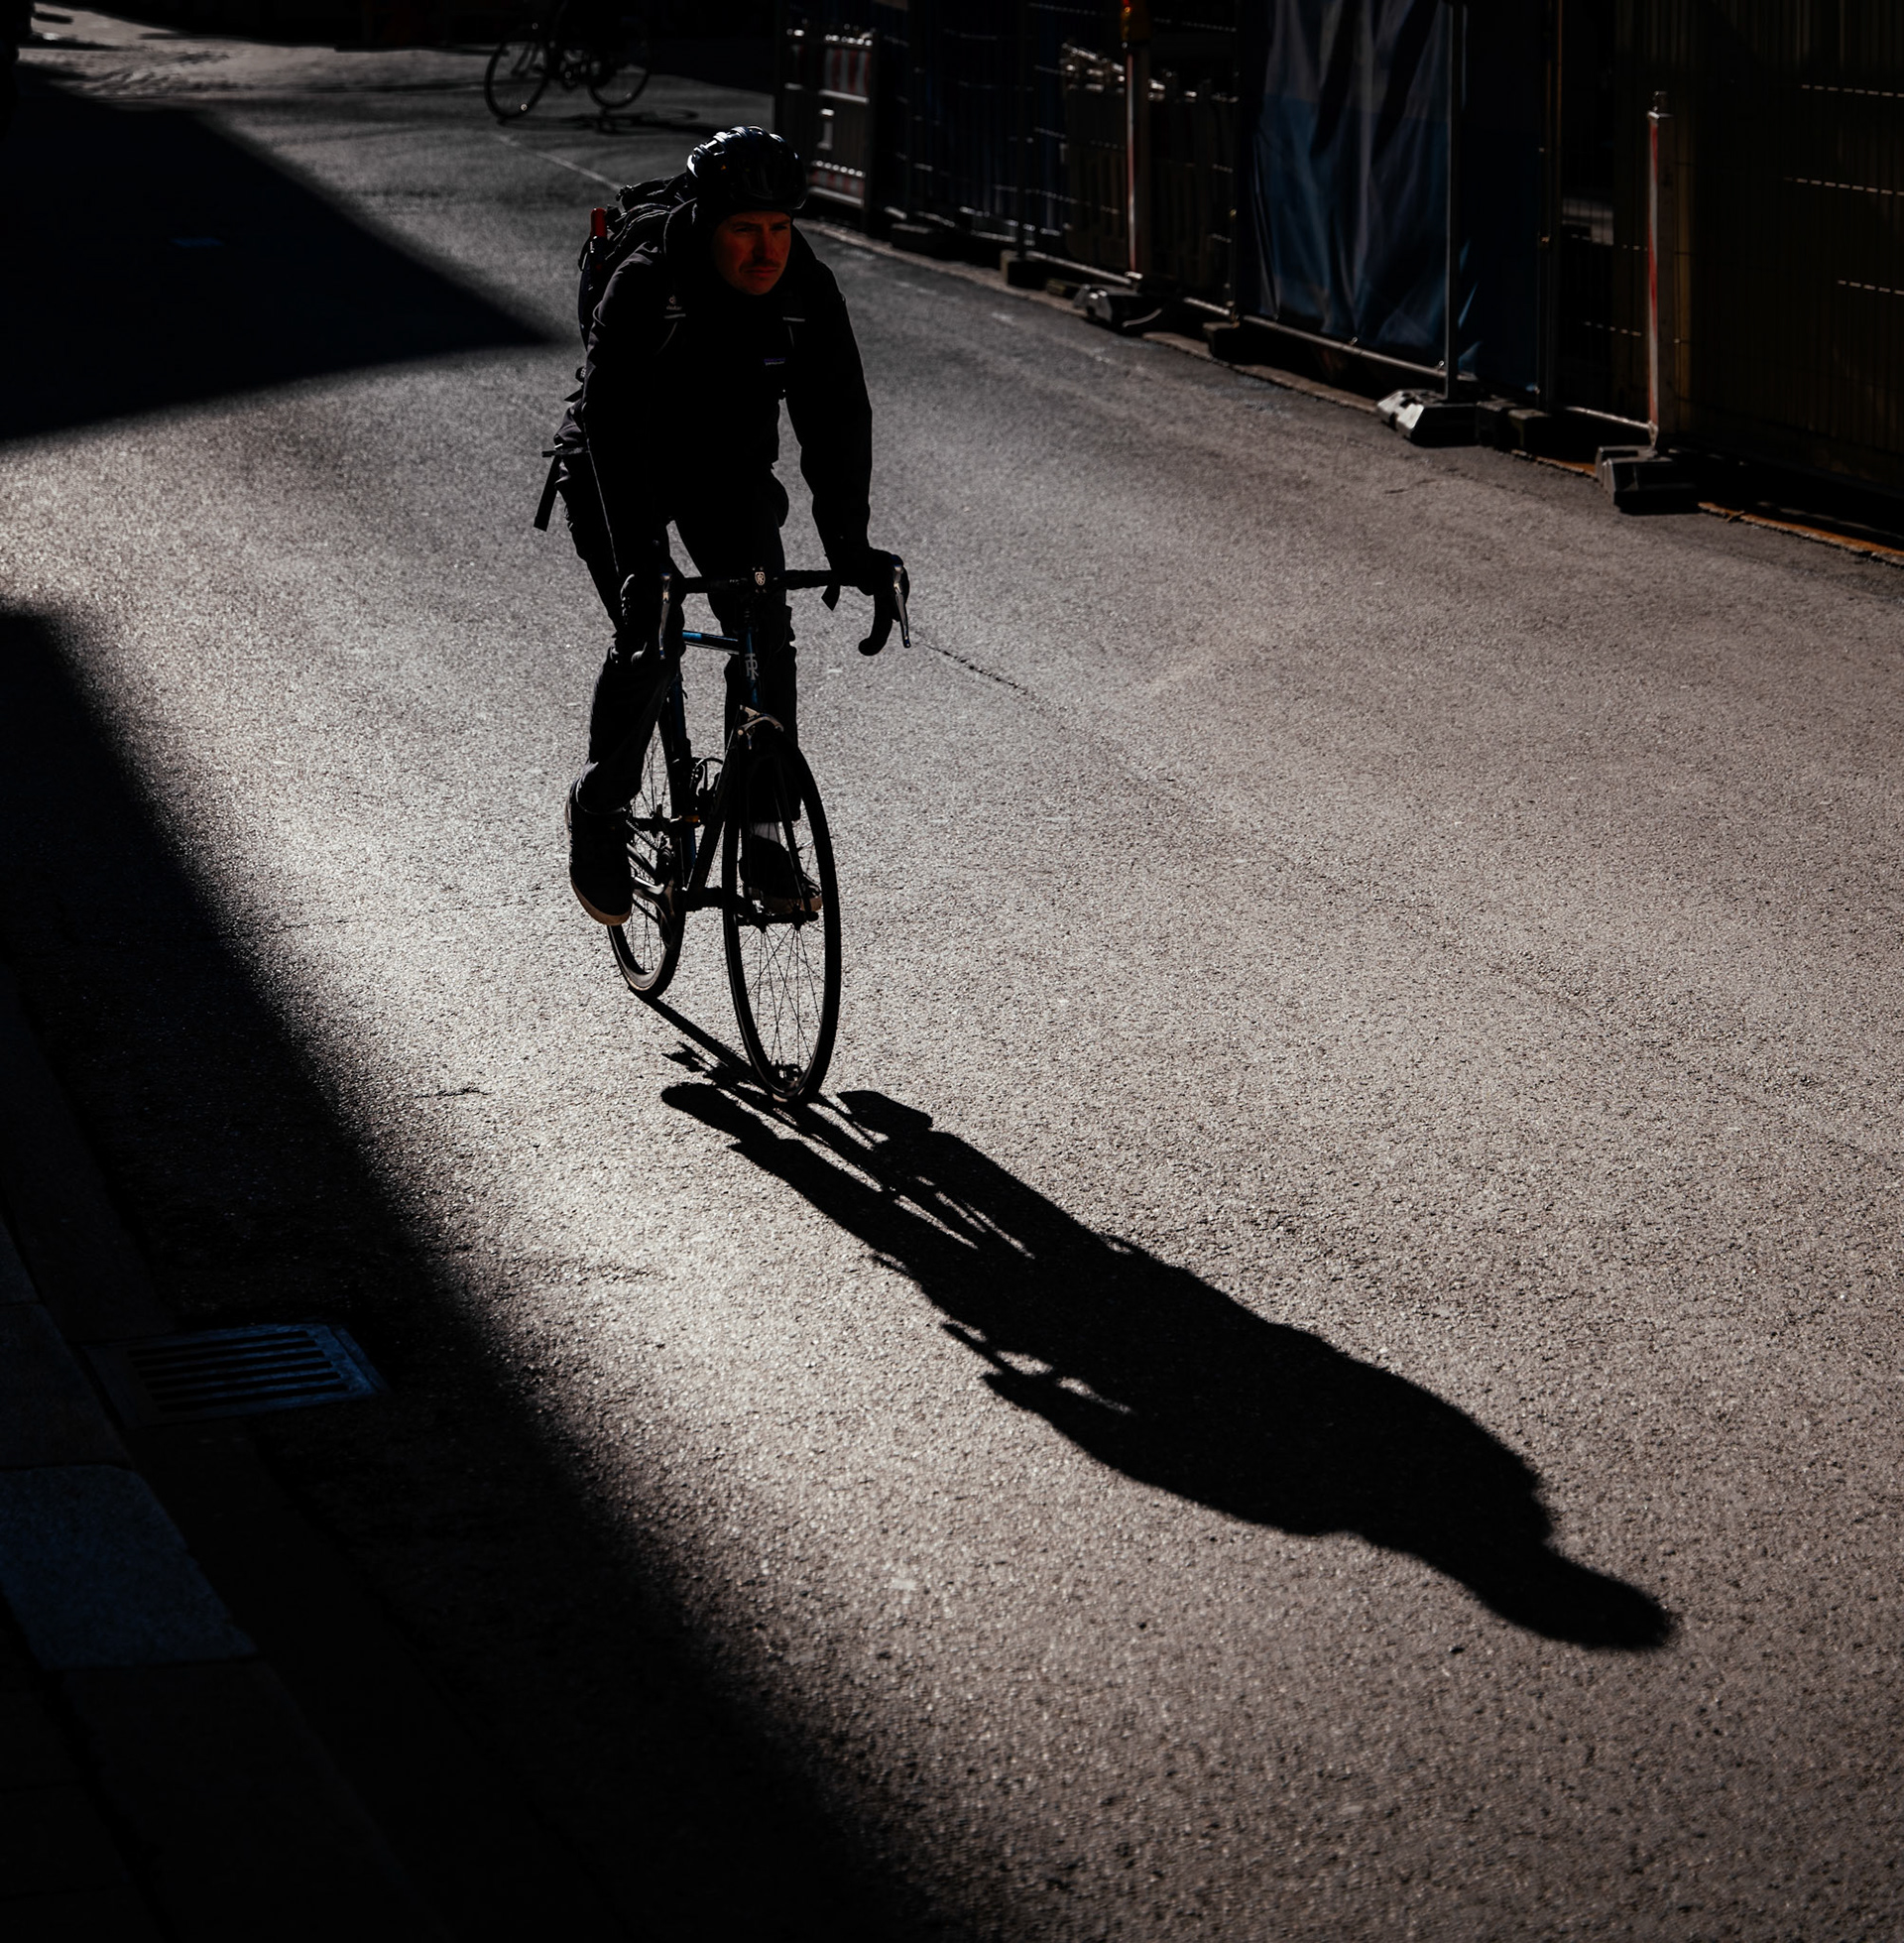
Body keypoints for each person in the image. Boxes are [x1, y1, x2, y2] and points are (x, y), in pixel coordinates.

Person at [547, 125, 901, 926]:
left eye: (778, 229)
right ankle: (600, 806)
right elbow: (608, 422)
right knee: (656, 623)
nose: (765, 249)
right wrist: (643, 562)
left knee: (764, 629)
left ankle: (766, 834)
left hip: (723, 467)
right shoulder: (645, 282)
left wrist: (849, 544)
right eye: (745, 230)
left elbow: (838, 415)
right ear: (709, 223)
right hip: (617, 465)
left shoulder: (806, 289)